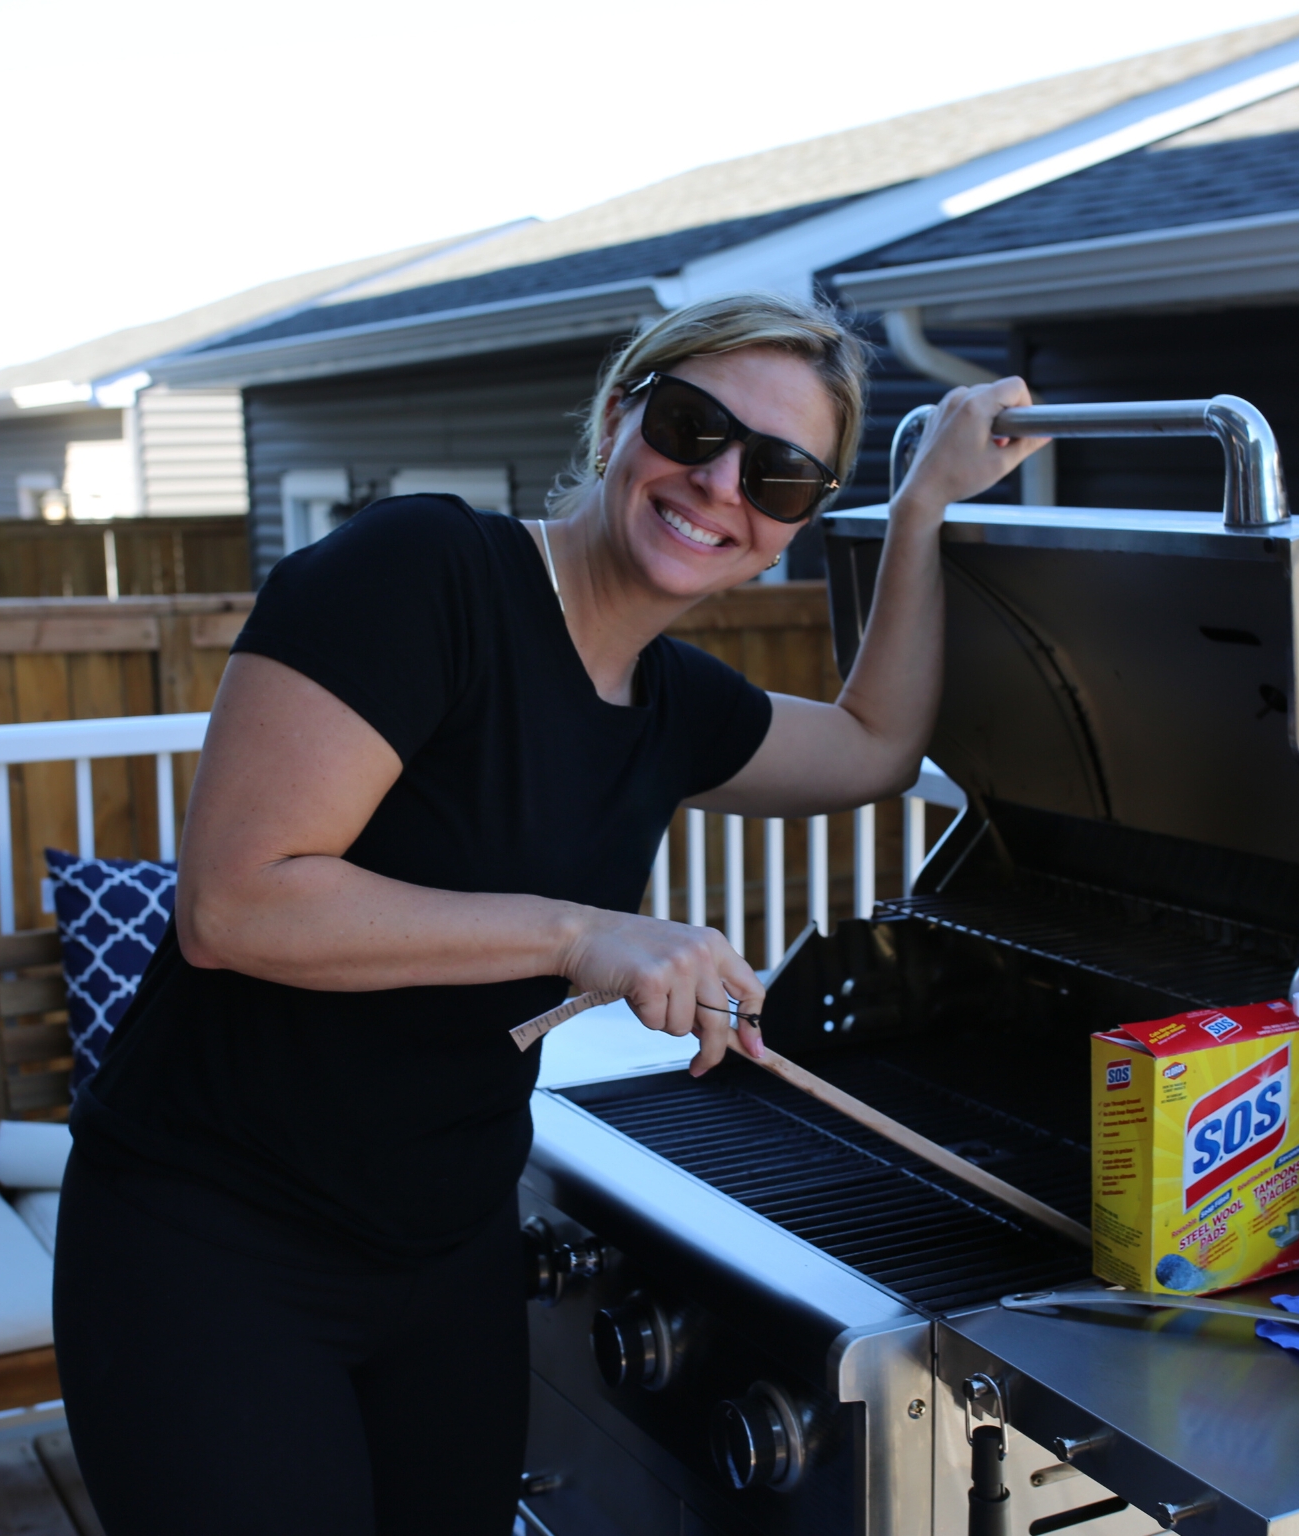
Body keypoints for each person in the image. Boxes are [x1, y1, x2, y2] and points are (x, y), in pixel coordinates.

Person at [51, 292, 1044, 1533]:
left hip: (444, 1244)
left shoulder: (668, 702)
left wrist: (920, 508)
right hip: (215, 1243)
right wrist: (585, 934)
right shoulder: (424, 573)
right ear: (622, 415)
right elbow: (237, 904)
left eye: (783, 477)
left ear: (791, 526)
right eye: (695, 426)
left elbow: (872, 745)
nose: (722, 482)